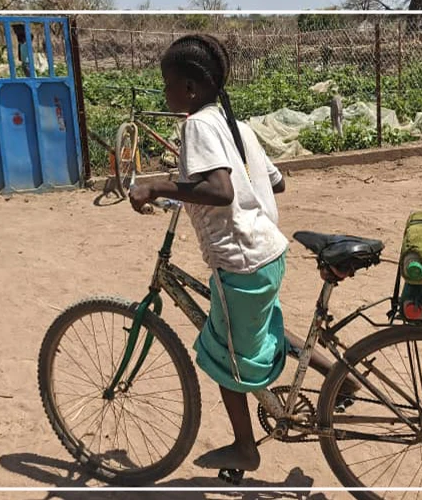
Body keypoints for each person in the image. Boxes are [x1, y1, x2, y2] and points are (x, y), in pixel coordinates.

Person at [127, 34, 290, 472]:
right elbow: (275, 182)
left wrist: (155, 185)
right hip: (269, 251)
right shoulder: (235, 124)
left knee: (224, 357)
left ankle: (244, 447)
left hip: (241, 263)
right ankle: (342, 377)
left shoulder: (198, 124)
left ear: (191, 88)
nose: (164, 92)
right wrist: (186, 193)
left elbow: (219, 190)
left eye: (168, 83)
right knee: (260, 329)